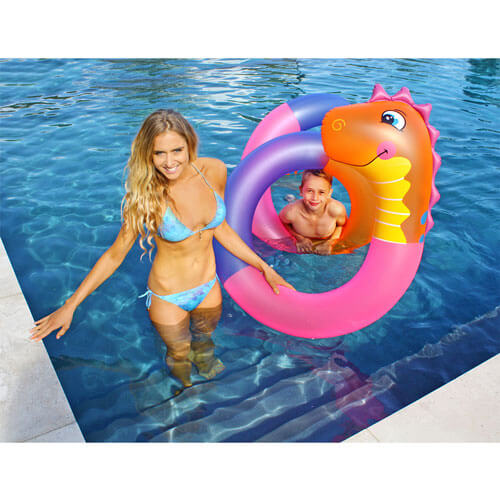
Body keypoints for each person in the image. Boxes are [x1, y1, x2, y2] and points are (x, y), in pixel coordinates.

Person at [30, 109, 294, 389]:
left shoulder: (213, 170)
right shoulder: (146, 197)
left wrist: (263, 267)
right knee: (178, 353)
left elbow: (220, 229)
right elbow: (114, 255)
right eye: (159, 153)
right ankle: (186, 391)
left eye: (177, 150)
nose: (169, 162)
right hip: (169, 297)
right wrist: (70, 306)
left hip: (209, 286)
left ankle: (205, 364)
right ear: (149, 154)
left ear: (190, 144)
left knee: (205, 341)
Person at [279, 169, 347, 255]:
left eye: (321, 192)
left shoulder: (336, 210)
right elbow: (282, 224)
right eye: (310, 191)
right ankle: (291, 199)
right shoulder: (291, 212)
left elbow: (341, 226)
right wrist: (298, 238)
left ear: (329, 193)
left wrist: (330, 242)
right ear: (301, 190)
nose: (315, 198)